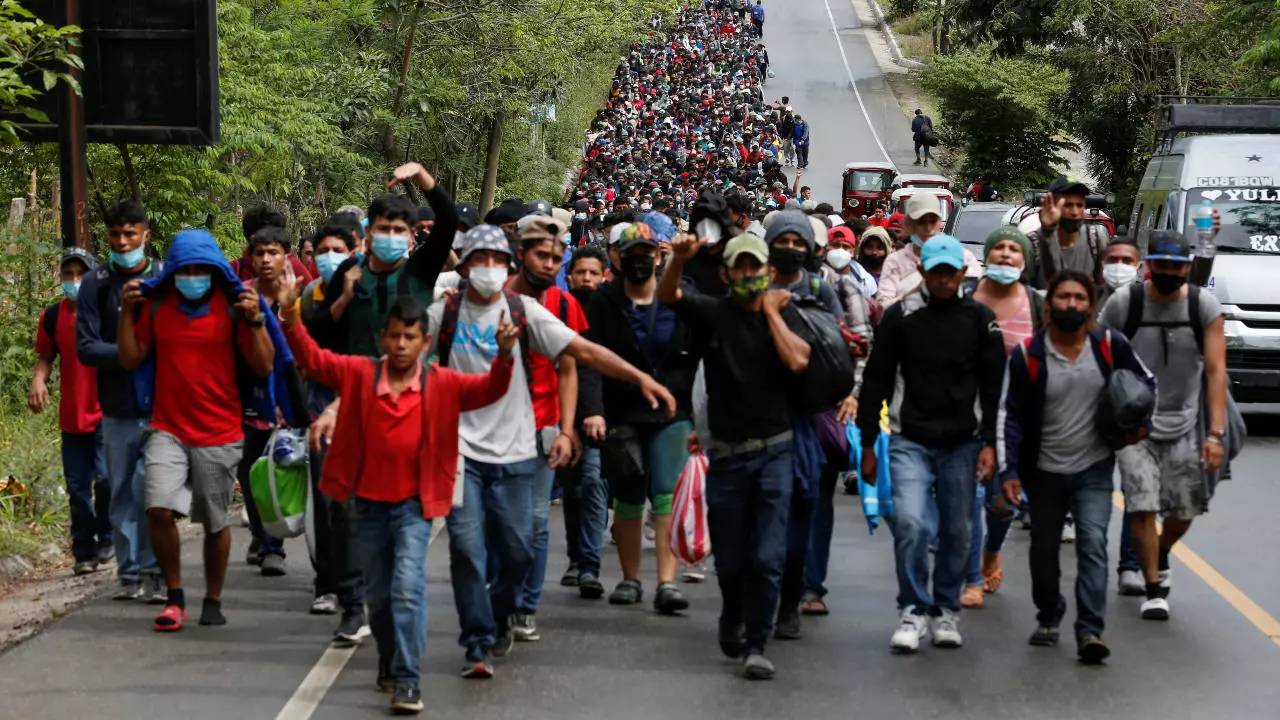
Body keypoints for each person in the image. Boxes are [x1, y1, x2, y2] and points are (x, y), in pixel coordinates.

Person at [429, 225, 675, 679]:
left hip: (517, 451)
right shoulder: (443, 314)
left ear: (507, 265)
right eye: (479, 260)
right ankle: (478, 642)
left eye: (495, 260)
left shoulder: (524, 312)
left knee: (520, 549)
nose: (488, 268)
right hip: (459, 452)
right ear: (464, 267)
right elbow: (397, 359)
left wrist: (639, 378)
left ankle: (502, 613)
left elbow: (582, 353)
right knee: (466, 549)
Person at [278, 284, 516, 715]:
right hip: (366, 506)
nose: (402, 345)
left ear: (426, 343)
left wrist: (504, 356)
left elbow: (489, 391)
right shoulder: (359, 373)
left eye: (410, 337)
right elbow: (314, 360)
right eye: (395, 336)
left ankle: (407, 679)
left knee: (407, 590)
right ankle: (389, 658)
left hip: (413, 508)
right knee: (380, 597)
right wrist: (291, 316)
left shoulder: (442, 383)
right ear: (382, 339)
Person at [659, 231, 812, 680]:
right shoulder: (714, 313)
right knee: (729, 559)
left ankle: (757, 644)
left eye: (755, 267)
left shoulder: (785, 311)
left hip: (775, 451)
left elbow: (799, 361)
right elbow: (669, 296)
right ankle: (732, 611)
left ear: (769, 271)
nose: (747, 274)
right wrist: (677, 261)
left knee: (767, 556)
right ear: (726, 274)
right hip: (726, 457)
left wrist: (772, 312)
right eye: (739, 267)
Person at [116, 229, 277, 633]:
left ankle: (213, 598)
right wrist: (126, 314)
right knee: (157, 508)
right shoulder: (157, 307)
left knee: (215, 522)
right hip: (166, 427)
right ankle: (174, 596)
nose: (192, 277)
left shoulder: (234, 307)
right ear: (172, 272)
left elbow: (264, 365)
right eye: (184, 271)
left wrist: (256, 320)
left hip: (220, 431)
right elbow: (131, 359)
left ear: (215, 271)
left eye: (200, 270)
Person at [857, 236, 1004, 653]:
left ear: (962, 273)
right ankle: (913, 609)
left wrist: (991, 444)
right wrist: (868, 444)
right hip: (910, 439)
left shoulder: (981, 320)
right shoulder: (900, 317)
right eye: (935, 272)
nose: (942, 280)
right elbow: (877, 380)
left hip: (963, 443)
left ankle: (945, 610)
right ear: (922, 271)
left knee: (958, 530)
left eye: (949, 272)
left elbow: (994, 387)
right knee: (910, 523)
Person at [1000, 271, 1155, 663]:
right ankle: (1048, 614)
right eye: (1064, 297)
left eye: (1080, 298)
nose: (1071, 304)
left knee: (1093, 543)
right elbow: (1011, 415)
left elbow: (1146, 384)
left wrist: (1138, 426)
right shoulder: (1028, 355)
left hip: (1094, 468)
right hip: (1043, 472)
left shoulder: (1109, 345)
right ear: (1048, 305)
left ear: (1091, 305)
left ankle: (1090, 630)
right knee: (1043, 549)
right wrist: (1010, 471)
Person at [1101, 230, 1227, 621]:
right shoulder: (1126, 303)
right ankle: (1154, 588)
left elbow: (1217, 371)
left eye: (1176, 266)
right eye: (1161, 265)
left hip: (1185, 423)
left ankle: (1162, 550)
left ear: (1187, 268)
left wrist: (1215, 434)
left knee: (1184, 510)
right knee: (1142, 504)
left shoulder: (1204, 306)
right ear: (1149, 265)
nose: (1169, 272)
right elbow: (1099, 355)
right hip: (1135, 426)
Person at [585, 222, 699, 613]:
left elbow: (699, 353)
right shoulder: (603, 301)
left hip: (672, 411)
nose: (639, 260)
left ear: (659, 255)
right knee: (628, 496)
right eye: (631, 253)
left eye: (646, 253)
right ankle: (630, 578)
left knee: (666, 494)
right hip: (621, 411)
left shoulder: (678, 297)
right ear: (617, 258)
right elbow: (590, 358)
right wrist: (593, 411)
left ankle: (667, 582)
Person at [76, 200, 166, 602]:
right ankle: (129, 573)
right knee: (121, 491)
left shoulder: (164, 278)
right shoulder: (95, 283)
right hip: (116, 408)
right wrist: (131, 354)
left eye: (130, 233)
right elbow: (86, 347)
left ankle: (155, 570)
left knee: (153, 491)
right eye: (115, 234)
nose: (123, 241)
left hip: (161, 406)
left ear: (146, 235)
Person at [507, 215, 589, 643]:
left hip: (543, 425)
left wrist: (566, 428)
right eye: (541, 255)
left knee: (537, 520)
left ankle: (525, 606)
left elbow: (569, 369)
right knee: (498, 521)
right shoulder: (493, 297)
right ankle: (498, 596)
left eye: (556, 258)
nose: (549, 264)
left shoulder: (564, 303)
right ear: (521, 254)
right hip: (494, 431)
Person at [961, 227, 1041, 607]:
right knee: (969, 497)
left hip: (1017, 417)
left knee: (1003, 502)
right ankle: (971, 577)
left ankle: (991, 551)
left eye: (1014, 249)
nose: (1006, 254)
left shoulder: (1037, 304)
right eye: (1000, 248)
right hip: (967, 411)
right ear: (987, 255)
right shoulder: (965, 296)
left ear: (1024, 261)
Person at [310, 163, 457, 358]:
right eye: (383, 229)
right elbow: (318, 330)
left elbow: (449, 219)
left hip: (412, 374)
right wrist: (344, 298)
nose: (390, 235)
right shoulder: (350, 270)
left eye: (398, 230)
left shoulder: (421, 268)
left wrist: (421, 174)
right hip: (359, 373)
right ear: (368, 232)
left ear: (411, 235)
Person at [30, 247, 112, 575]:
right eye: (68, 274)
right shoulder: (52, 317)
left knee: (105, 479)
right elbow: (45, 358)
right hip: (72, 418)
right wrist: (38, 381)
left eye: (81, 274)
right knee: (77, 489)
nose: (74, 280)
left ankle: (108, 535)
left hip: (107, 414)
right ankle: (84, 552)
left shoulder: (107, 312)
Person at [237, 226, 293, 577]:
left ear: (286, 256)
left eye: (273, 252)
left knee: (279, 470)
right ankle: (260, 533)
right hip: (248, 396)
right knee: (249, 471)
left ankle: (274, 546)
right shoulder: (242, 295)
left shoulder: (298, 296)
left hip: (288, 395)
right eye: (260, 253)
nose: (266, 259)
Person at [559, 245, 609, 596]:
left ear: (604, 275)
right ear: (570, 275)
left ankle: (589, 564)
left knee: (593, 483)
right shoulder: (559, 310)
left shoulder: (610, 311)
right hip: (564, 416)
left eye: (593, 273)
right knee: (573, 489)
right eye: (581, 273)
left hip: (600, 415)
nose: (587, 279)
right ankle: (576, 558)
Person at [876, 195, 980, 307]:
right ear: (908, 224)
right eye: (921, 222)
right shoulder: (895, 261)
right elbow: (883, 306)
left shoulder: (963, 257)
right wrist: (918, 291)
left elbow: (977, 298)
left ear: (940, 222)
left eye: (932, 221)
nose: (928, 228)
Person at [1027, 176, 1107, 289]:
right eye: (1067, 205)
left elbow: (1102, 287)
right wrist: (1047, 231)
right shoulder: (1033, 242)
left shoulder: (1095, 239)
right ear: (1051, 204)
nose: (1075, 212)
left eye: (1079, 205)